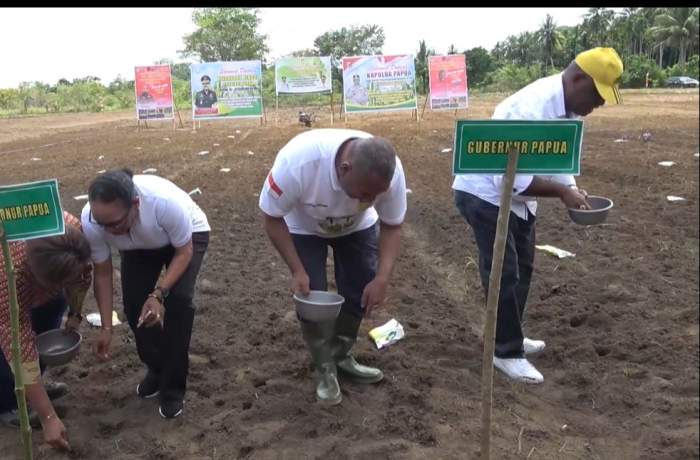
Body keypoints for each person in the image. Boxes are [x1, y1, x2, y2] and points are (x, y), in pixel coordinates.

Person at [452, 47, 623, 384]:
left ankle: (510, 334)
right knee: (504, 272)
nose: (599, 104)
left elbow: (559, 161)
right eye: (596, 95)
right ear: (577, 79)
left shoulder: (570, 111)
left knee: (524, 268)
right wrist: (561, 193)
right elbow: (511, 180)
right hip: (485, 194)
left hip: (520, 200)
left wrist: (571, 188)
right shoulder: (527, 110)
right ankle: (505, 352)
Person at [259, 129, 407, 405]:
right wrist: (297, 270)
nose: (368, 201)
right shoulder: (298, 163)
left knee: (360, 288)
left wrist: (382, 278)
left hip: (357, 228)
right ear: (344, 168)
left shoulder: (391, 172)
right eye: (364, 193)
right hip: (304, 227)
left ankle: (341, 355)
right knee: (312, 298)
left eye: (375, 196)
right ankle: (324, 367)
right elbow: (271, 217)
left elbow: (392, 225)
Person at [81, 168, 210, 419]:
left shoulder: (164, 204)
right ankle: (157, 368)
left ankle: (173, 387)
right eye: (101, 224)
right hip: (138, 244)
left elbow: (184, 252)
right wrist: (106, 327)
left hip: (186, 238)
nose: (108, 230)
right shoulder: (93, 220)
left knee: (178, 302)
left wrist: (158, 294)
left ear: (135, 205)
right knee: (134, 307)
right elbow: (103, 273)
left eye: (114, 223)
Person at [0, 213, 92, 451]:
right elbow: (18, 343)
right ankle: (9, 403)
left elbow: (84, 275)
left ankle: (34, 388)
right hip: (7, 291)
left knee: (51, 312)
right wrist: (48, 416)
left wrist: (75, 313)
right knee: (7, 350)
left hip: (41, 281)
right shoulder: (8, 271)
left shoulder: (72, 231)